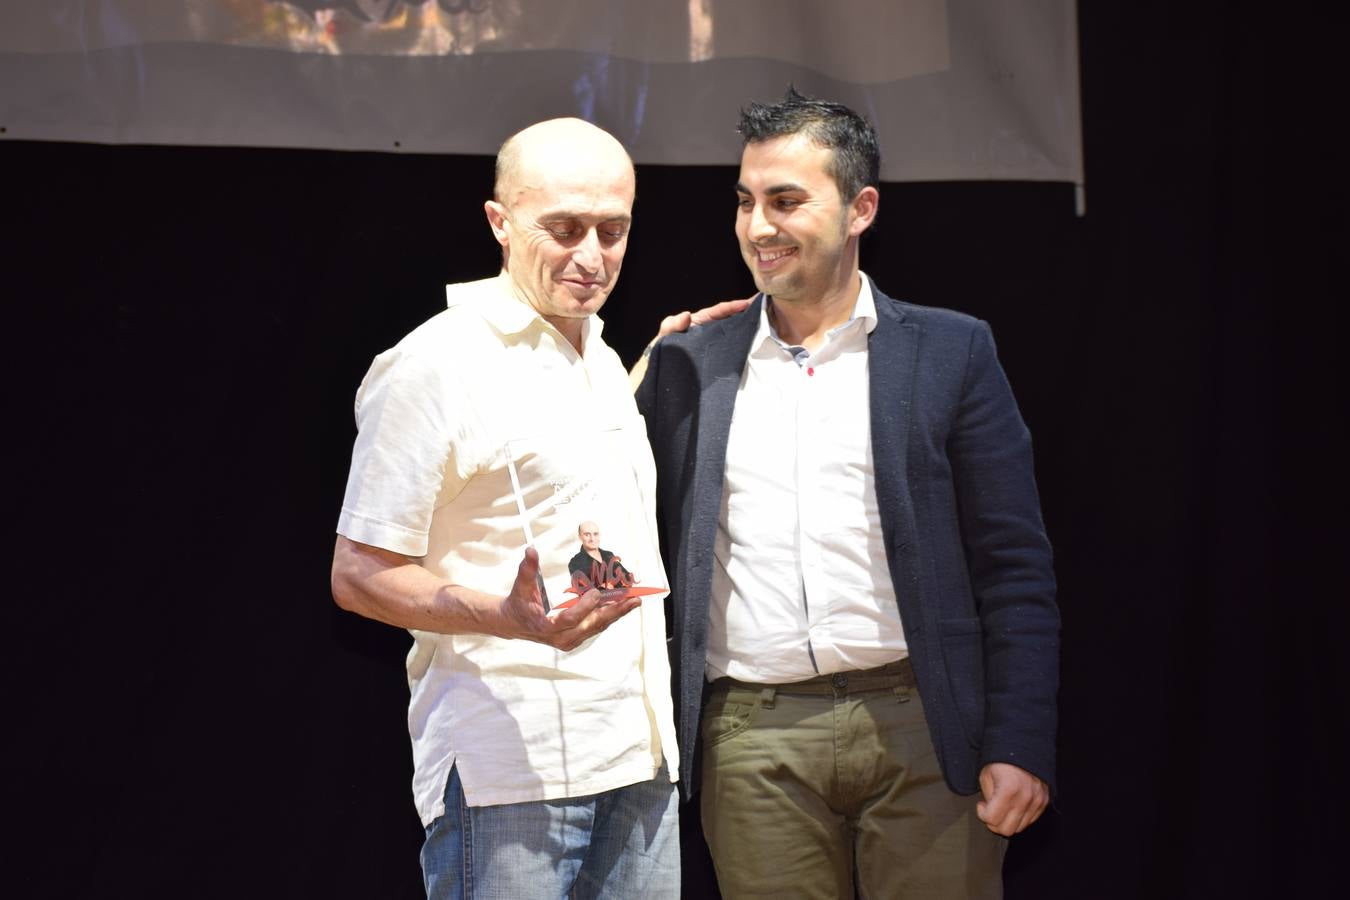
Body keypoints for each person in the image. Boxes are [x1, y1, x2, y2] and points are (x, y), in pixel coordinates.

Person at [635, 88, 1060, 898]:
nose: (758, 227)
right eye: (746, 201)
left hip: (927, 726)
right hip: (751, 736)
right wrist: (640, 375)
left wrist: (1020, 738)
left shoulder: (951, 351)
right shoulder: (690, 363)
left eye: (786, 201)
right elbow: (606, 508)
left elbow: (1014, 567)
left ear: (861, 208)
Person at [331, 117, 679, 899]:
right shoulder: (434, 363)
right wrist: (504, 614)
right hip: (509, 773)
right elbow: (357, 576)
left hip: (639, 754)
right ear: (500, 221)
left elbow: (560, 485)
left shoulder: (597, 354)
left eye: (613, 231)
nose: (591, 257)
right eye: (563, 228)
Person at [567, 521, 637, 591]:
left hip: (617, 595)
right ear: (580, 537)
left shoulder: (608, 555)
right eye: (587, 535)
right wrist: (601, 588)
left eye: (595, 534)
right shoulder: (575, 563)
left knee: (636, 600)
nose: (592, 539)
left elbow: (627, 577)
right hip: (598, 600)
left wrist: (613, 584)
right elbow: (581, 589)